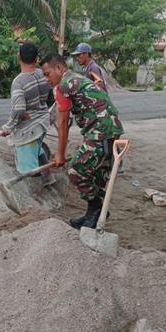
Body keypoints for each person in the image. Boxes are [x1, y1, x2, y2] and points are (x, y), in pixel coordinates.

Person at [41, 52, 124, 229]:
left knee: (76, 171)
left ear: (59, 68)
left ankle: (96, 209)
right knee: (97, 174)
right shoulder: (76, 78)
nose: (47, 79)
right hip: (111, 128)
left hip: (101, 130)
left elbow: (63, 122)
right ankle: (94, 213)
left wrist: (60, 155)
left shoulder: (64, 85)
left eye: (47, 74)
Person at [0, 42, 54, 183]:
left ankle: (34, 191)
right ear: (36, 58)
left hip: (28, 129)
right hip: (43, 122)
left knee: (27, 168)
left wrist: (8, 127)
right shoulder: (44, 75)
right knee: (37, 149)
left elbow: (18, 109)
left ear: (19, 57)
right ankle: (48, 177)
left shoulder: (19, 82)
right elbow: (51, 98)